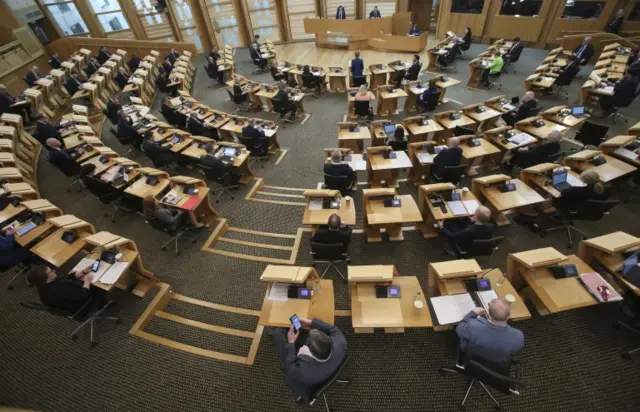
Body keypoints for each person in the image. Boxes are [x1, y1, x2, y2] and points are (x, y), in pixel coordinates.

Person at [271, 317, 347, 402]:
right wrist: (310, 322)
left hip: (310, 382)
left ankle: (276, 331)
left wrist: (291, 342)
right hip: (331, 366)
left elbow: (290, 364)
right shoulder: (341, 341)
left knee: (278, 334)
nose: (304, 346)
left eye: (305, 347)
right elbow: (333, 329)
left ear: (311, 354)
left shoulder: (301, 371)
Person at [456, 298, 524, 367]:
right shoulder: (518, 336)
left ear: (488, 312)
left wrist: (472, 313)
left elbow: (459, 328)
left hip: (472, 356)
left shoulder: (473, 326)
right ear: (509, 315)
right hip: (497, 361)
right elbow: (515, 349)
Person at [26, 265, 95, 313]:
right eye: (51, 271)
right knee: (99, 286)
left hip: (73, 299)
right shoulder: (57, 290)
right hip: (83, 306)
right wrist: (87, 281)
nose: (54, 271)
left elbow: (64, 278)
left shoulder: (43, 285)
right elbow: (82, 296)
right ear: (45, 278)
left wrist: (83, 272)